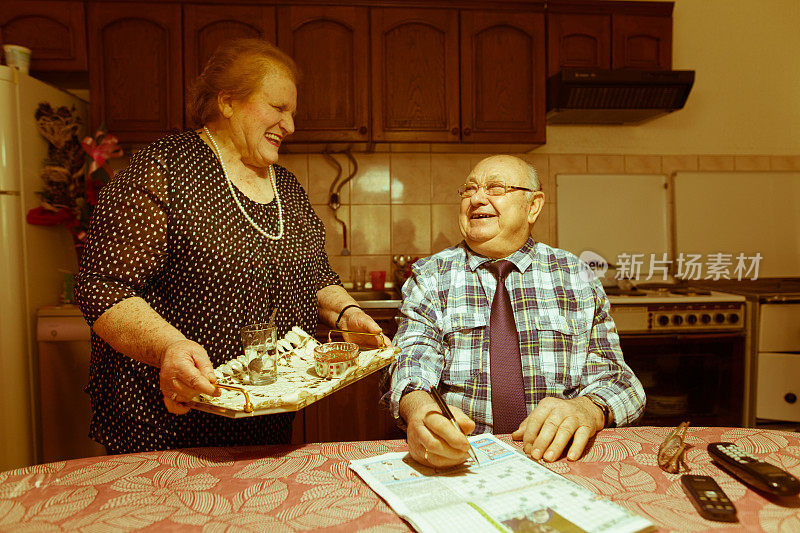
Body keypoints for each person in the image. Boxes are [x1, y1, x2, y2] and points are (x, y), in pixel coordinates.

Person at [75, 38, 382, 454]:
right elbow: (104, 288)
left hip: (262, 413)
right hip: (167, 419)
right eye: (278, 107)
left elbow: (315, 278)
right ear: (227, 102)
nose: (290, 125)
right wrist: (171, 348)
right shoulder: (164, 169)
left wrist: (348, 312)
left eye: (292, 112)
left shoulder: (286, 186)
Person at [383, 155, 645, 467]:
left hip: (558, 456)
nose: (477, 199)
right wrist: (421, 410)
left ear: (533, 206)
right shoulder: (430, 276)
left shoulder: (576, 276)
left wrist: (588, 409)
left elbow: (620, 381)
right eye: (469, 190)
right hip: (463, 457)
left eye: (495, 188)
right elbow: (411, 364)